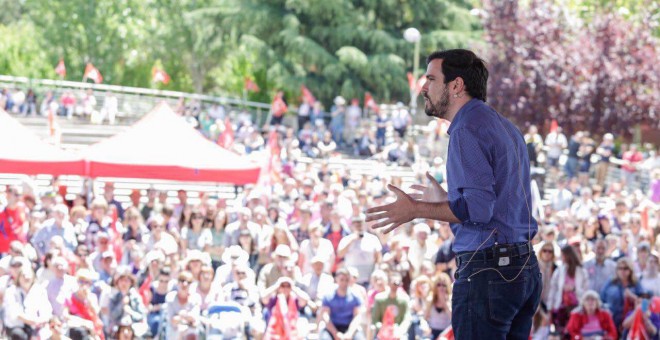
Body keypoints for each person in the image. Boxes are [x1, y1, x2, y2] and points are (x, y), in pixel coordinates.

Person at [366, 49, 542, 339]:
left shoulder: (466, 130)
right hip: (523, 269)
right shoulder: (505, 127)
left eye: (431, 79)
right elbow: (493, 207)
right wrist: (445, 202)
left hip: (489, 274)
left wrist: (416, 209)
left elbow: (479, 210)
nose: (423, 88)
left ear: (456, 85)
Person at [318, 268, 365, 340]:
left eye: (347, 280)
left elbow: (357, 316)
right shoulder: (328, 296)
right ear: (336, 279)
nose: (344, 283)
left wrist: (350, 333)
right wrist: (335, 333)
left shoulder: (355, 296)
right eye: (342, 280)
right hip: (332, 327)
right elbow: (325, 316)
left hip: (349, 327)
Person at [600, 257, 645, 329]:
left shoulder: (635, 283)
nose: (622, 271)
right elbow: (601, 298)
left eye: (625, 268)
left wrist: (633, 296)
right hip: (612, 320)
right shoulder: (611, 281)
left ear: (630, 270)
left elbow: (645, 303)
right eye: (620, 268)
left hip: (630, 322)